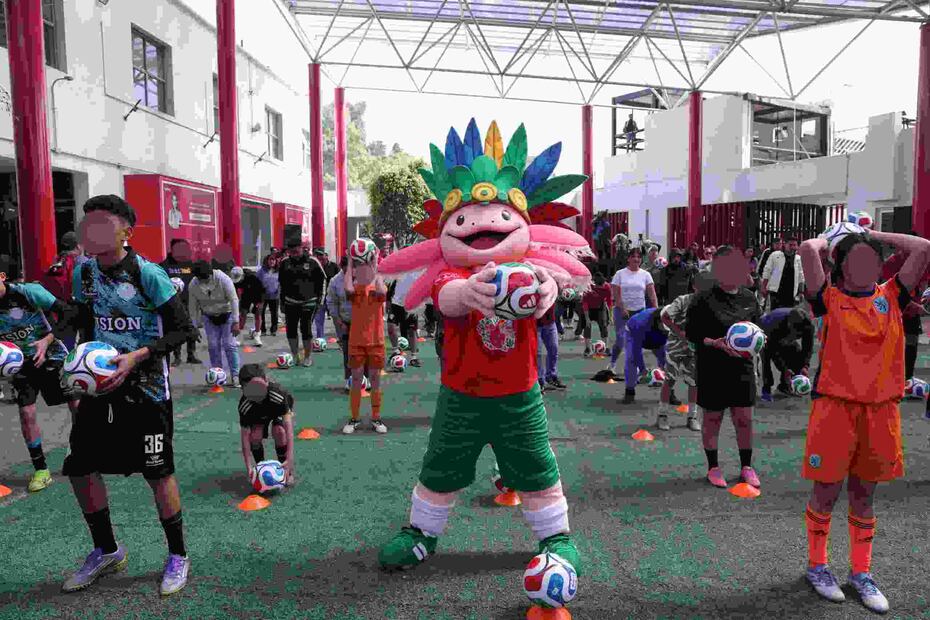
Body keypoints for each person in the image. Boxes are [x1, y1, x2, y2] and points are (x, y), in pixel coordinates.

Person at [63, 195, 194, 596]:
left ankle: (177, 555)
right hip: (100, 392)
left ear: (125, 232)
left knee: (158, 473)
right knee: (80, 468)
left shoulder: (148, 274)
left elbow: (182, 330)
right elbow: (83, 323)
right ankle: (106, 550)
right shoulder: (83, 274)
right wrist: (76, 373)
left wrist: (137, 357)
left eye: (102, 223)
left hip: (147, 391)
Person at [798, 229, 930, 613]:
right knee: (826, 492)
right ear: (840, 267)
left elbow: (924, 248)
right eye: (855, 260)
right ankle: (818, 566)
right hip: (835, 409)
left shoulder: (892, 294)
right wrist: (832, 236)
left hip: (881, 411)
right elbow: (809, 250)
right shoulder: (828, 299)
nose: (865, 267)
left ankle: (861, 573)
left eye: (871, 260)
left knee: (864, 496)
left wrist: (870, 233)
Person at [0, 257, 80, 492]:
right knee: (26, 412)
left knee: (76, 405)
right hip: (20, 365)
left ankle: (79, 451)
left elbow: (68, 313)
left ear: (2, 277)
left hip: (52, 356)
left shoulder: (28, 292)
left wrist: (46, 341)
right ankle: (41, 470)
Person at [685, 245, 761, 489]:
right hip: (713, 367)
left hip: (743, 368)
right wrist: (714, 343)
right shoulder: (703, 299)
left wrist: (760, 340)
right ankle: (713, 467)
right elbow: (692, 333)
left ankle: (747, 467)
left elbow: (758, 328)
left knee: (744, 419)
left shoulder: (749, 298)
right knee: (713, 418)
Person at [660, 271, 716, 432]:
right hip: (675, 346)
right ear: (694, 286)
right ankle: (662, 415)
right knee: (669, 380)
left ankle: (692, 417)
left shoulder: (710, 304)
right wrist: (680, 333)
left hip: (694, 348)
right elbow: (665, 317)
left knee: (694, 382)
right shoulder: (682, 300)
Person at [342, 248, 388, 434]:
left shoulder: (378, 290)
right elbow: (347, 287)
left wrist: (375, 264)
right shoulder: (355, 290)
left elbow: (381, 288)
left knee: (375, 380)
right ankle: (354, 419)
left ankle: (376, 418)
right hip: (357, 342)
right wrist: (351, 262)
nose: (364, 269)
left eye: (365, 265)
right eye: (360, 266)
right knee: (356, 380)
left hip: (376, 341)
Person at [237, 363, 296, 488]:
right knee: (255, 436)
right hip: (258, 413)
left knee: (279, 431)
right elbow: (245, 438)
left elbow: (288, 427)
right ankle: (260, 468)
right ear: (243, 389)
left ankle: (285, 468)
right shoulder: (245, 406)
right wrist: (249, 467)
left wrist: (290, 457)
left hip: (276, 409)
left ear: (266, 382)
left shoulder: (278, 395)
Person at [188, 260, 241, 387]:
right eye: (200, 278)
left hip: (227, 315)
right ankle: (218, 375)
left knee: (229, 345)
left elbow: (234, 300)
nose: (203, 281)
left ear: (211, 273)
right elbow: (192, 307)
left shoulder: (224, 279)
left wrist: (236, 321)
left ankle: (235, 376)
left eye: (205, 278)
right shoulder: (193, 285)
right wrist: (194, 327)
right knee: (213, 346)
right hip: (209, 317)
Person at [607, 248, 657, 377]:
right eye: (633, 257)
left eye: (639, 257)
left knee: (637, 342)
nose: (636, 259)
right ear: (628, 259)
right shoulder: (620, 274)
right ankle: (612, 364)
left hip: (639, 311)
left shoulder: (646, 275)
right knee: (620, 340)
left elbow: (652, 294)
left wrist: (656, 311)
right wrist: (622, 308)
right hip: (622, 311)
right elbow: (616, 293)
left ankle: (640, 368)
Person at [278, 239, 325, 367]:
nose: (294, 253)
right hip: (290, 302)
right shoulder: (284, 263)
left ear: (302, 248)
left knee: (306, 330)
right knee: (291, 330)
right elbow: (280, 284)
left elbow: (323, 281)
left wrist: (320, 300)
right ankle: (295, 356)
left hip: (309, 302)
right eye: (291, 251)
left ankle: (308, 356)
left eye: (296, 250)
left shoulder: (313, 262)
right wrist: (281, 302)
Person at [758, 306, 814, 402]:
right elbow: (775, 352)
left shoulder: (808, 326)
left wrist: (805, 366)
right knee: (766, 358)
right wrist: (785, 369)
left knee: (797, 355)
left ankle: (784, 386)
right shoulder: (774, 324)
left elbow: (807, 348)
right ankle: (766, 389)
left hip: (783, 336)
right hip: (767, 333)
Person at [160, 239, 200, 366]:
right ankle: (177, 356)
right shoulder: (164, 266)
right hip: (173, 303)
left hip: (189, 302)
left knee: (191, 327)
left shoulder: (190, 264)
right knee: (177, 328)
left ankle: (191, 354)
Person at [621, 307, 667, 407]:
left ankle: (669, 392)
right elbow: (636, 351)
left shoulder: (675, 321)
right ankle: (630, 390)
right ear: (658, 321)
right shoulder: (640, 324)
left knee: (668, 361)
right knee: (631, 359)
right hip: (633, 333)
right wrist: (643, 370)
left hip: (658, 338)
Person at [387, 270, 422, 367]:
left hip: (410, 304)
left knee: (411, 331)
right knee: (391, 327)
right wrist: (388, 303)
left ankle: (414, 357)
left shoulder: (419, 271)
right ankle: (396, 351)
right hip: (396, 304)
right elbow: (390, 287)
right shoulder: (399, 269)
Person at [762, 235, 804, 311]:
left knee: (788, 316)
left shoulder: (798, 259)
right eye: (790, 245)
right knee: (774, 315)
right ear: (785, 244)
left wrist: (801, 292)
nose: (792, 247)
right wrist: (764, 286)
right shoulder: (775, 255)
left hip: (791, 293)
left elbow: (801, 276)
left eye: (794, 245)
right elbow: (767, 271)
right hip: (776, 291)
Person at [537, 300, 564, 392]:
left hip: (550, 322)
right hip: (535, 324)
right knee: (537, 353)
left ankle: (551, 376)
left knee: (554, 349)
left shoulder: (551, 285)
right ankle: (540, 380)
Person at [581, 271, 610, 356]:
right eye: (599, 286)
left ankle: (606, 347)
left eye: (602, 286)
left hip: (601, 307)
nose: (601, 287)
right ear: (595, 284)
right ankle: (587, 348)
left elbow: (608, 301)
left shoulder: (607, 287)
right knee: (587, 326)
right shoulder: (588, 289)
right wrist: (587, 319)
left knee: (604, 326)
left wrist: (609, 315)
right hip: (589, 308)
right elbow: (585, 304)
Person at [312, 248, 339, 340]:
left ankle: (341, 339)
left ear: (326, 256)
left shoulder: (334, 266)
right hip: (320, 298)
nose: (320, 258)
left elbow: (339, 281)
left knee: (337, 319)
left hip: (332, 297)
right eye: (318, 256)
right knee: (318, 320)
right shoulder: (315, 267)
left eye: (321, 255)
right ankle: (320, 340)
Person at [236, 268, 265, 347]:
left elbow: (262, 290)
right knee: (242, 315)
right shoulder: (236, 279)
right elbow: (235, 290)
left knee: (258, 315)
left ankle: (257, 336)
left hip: (257, 296)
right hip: (245, 297)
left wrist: (260, 302)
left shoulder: (254, 278)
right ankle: (239, 337)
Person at [258, 254, 280, 336]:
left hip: (275, 295)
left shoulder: (278, 271)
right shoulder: (262, 271)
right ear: (267, 261)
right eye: (270, 260)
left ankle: (273, 330)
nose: (272, 261)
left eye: (273, 260)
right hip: (263, 295)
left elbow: (282, 282)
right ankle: (262, 329)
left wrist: (279, 290)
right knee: (261, 313)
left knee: (274, 313)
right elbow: (257, 282)